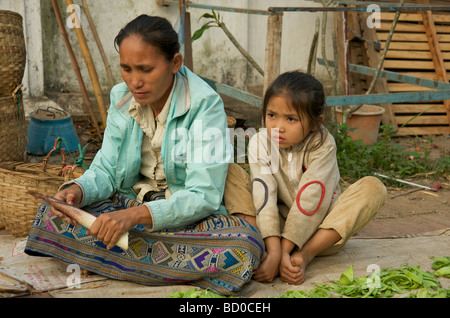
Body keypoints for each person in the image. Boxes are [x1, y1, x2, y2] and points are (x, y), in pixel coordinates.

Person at [25, 15, 263, 296]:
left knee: (243, 246)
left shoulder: (204, 105)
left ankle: (103, 256)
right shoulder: (122, 97)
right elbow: (107, 169)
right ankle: (153, 264)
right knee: (51, 216)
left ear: (175, 63)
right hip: (130, 203)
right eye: (126, 69)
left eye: (145, 69)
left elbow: (202, 196)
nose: (135, 81)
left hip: (185, 217)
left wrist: (132, 217)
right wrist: (78, 189)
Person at [248, 70, 387, 285]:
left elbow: (311, 200)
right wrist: (274, 249)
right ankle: (265, 249)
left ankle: (303, 256)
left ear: (315, 123)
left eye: (291, 118)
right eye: (271, 115)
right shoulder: (259, 142)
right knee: (230, 173)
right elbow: (263, 195)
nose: (278, 127)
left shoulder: (323, 145)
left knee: (373, 187)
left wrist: (286, 251)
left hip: (321, 234)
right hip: (272, 231)